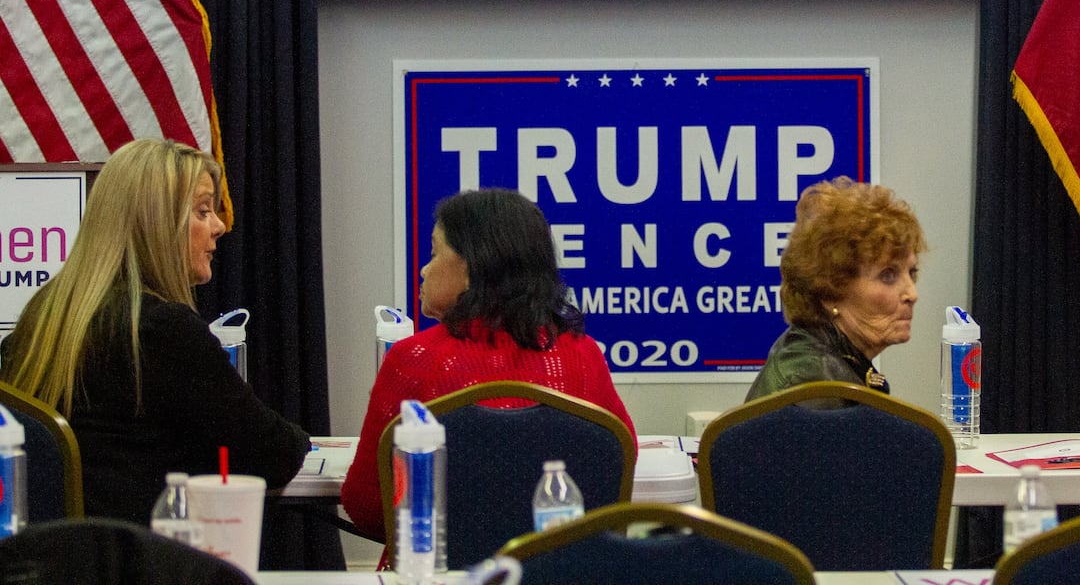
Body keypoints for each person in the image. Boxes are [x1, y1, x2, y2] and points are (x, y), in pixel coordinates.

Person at [0, 137, 309, 524]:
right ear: (158, 224)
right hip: (139, 560)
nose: (218, 226)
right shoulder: (162, 332)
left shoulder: (40, 319)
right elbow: (273, 455)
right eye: (202, 211)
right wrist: (302, 439)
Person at [340, 187, 636, 538]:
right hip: (555, 572)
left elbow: (367, 506)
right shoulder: (583, 356)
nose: (423, 270)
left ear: (472, 268)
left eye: (434, 253)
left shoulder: (414, 360)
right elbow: (615, 478)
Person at [745, 177, 926, 402]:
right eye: (887, 275)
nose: (912, 294)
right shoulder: (813, 386)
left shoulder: (831, 366)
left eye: (912, 273)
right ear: (831, 292)